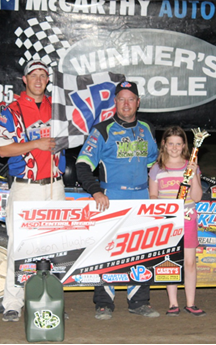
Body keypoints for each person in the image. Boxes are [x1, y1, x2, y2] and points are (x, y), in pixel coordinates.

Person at [76, 80, 160, 320]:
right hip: (111, 198)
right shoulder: (102, 130)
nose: (126, 103)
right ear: (115, 102)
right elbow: (82, 165)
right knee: (107, 251)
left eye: (130, 99)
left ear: (138, 102)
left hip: (142, 197)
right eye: (121, 99)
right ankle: (104, 303)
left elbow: (154, 164)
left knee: (143, 250)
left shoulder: (147, 128)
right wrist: (95, 191)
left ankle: (139, 302)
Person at [0, 60, 66, 322]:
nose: (38, 80)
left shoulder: (58, 109)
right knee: (19, 246)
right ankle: (12, 303)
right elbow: (3, 149)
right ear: (24, 79)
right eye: (33, 75)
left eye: (43, 75)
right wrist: (34, 143)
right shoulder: (11, 111)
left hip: (54, 186)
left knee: (55, 246)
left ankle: (53, 300)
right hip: (25, 188)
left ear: (48, 80)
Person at [148, 126, 206, 317]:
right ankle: (173, 303)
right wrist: (163, 213)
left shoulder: (191, 167)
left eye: (178, 144)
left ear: (184, 146)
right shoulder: (157, 169)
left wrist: (194, 175)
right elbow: (153, 196)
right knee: (170, 261)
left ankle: (191, 303)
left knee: (189, 262)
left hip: (188, 218)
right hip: (168, 222)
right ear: (164, 144)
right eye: (170, 143)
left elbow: (197, 197)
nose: (174, 147)